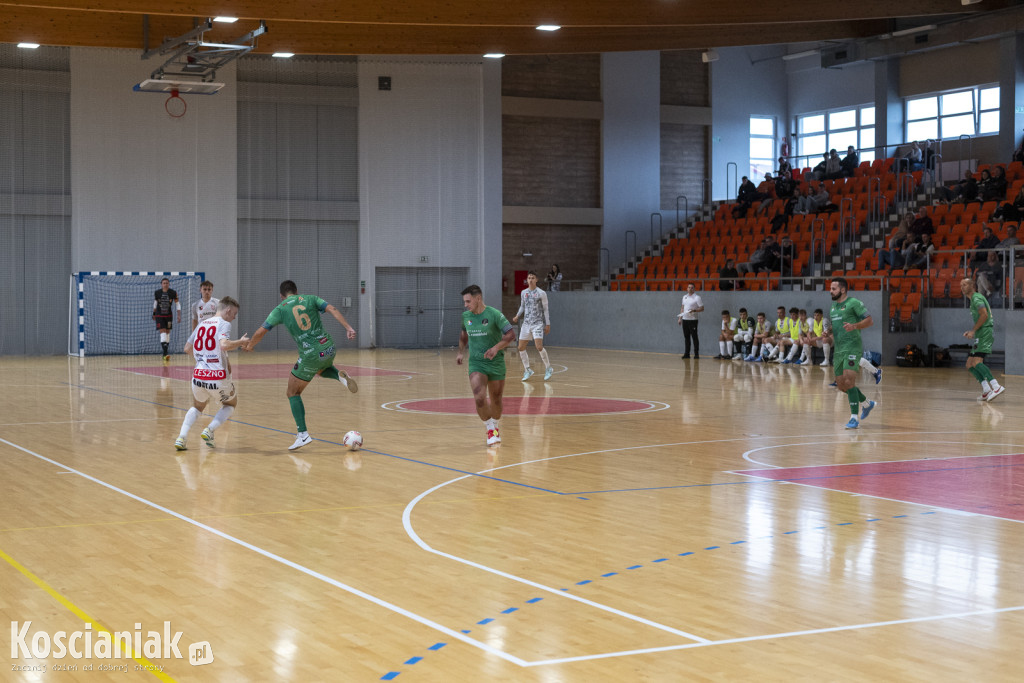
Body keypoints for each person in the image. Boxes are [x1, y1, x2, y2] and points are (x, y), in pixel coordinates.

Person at [244, 280, 358, 450]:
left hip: (310, 354)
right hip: (328, 347)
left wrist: (250, 345)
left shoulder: (281, 308)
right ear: (297, 291)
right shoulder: (311, 299)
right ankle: (339, 377)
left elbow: (261, 331)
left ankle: (303, 435)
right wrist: (348, 328)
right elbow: (332, 309)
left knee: (292, 392)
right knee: (321, 368)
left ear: (282, 295)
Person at [174, 297, 248, 451]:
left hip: (198, 376)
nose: (234, 318)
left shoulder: (201, 324)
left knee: (197, 406)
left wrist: (202, 361)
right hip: (217, 378)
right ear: (227, 310)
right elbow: (224, 345)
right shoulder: (224, 324)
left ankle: (182, 437)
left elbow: (187, 348)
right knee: (230, 404)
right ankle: (210, 430)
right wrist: (241, 342)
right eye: (234, 314)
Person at [456, 284, 516, 446]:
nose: (465, 305)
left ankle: (495, 426)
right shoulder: (466, 317)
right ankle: (489, 428)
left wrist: (496, 348)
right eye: (464, 302)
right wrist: (461, 351)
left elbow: (511, 335)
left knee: (496, 400)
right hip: (477, 363)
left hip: (495, 362)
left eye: (468, 301)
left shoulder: (494, 314)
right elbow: (463, 334)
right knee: (479, 397)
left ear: (478, 299)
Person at [829, 277, 876, 429]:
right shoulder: (833, 307)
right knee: (842, 386)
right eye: (830, 288)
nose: (831, 291)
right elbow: (836, 326)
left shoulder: (854, 303)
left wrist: (854, 326)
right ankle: (867, 403)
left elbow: (869, 321)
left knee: (849, 381)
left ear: (842, 290)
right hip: (838, 350)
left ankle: (854, 419)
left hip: (852, 346)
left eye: (833, 288)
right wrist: (827, 332)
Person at [960, 278, 1005, 401]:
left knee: (977, 362)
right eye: (961, 285)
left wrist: (973, 331)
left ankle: (996, 386)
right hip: (981, 332)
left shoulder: (976, 298)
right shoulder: (973, 300)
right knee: (970, 364)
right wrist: (973, 331)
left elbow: (984, 315)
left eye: (964, 284)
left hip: (985, 332)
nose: (962, 287)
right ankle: (986, 389)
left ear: (972, 285)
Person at [512, 271, 553, 381]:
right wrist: (517, 315)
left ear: (536, 280)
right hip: (526, 324)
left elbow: (545, 309)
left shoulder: (541, 293)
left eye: (532, 278)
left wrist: (547, 324)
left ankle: (548, 368)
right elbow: (522, 306)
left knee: (539, 346)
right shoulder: (523, 292)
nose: (530, 279)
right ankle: (528, 370)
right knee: (520, 347)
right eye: (529, 278)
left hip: (538, 324)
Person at [153, 277, 181, 363]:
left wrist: (179, 315)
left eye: (167, 283)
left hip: (169, 315)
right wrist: (154, 313)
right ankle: (165, 354)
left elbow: (177, 304)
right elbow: (155, 304)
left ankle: (165, 353)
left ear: (169, 284)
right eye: (164, 283)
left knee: (168, 333)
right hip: (159, 315)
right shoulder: (157, 293)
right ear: (161, 284)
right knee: (163, 332)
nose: (165, 284)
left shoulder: (173, 293)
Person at [678, 283, 704, 359]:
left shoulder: (697, 297)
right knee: (686, 337)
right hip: (685, 320)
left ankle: (696, 354)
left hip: (693, 320)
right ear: (687, 288)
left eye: (692, 288)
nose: (690, 289)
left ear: (694, 289)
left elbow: (702, 308)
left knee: (694, 337)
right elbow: (682, 308)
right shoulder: (684, 297)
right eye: (689, 287)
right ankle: (687, 353)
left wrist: (694, 310)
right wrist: (680, 318)